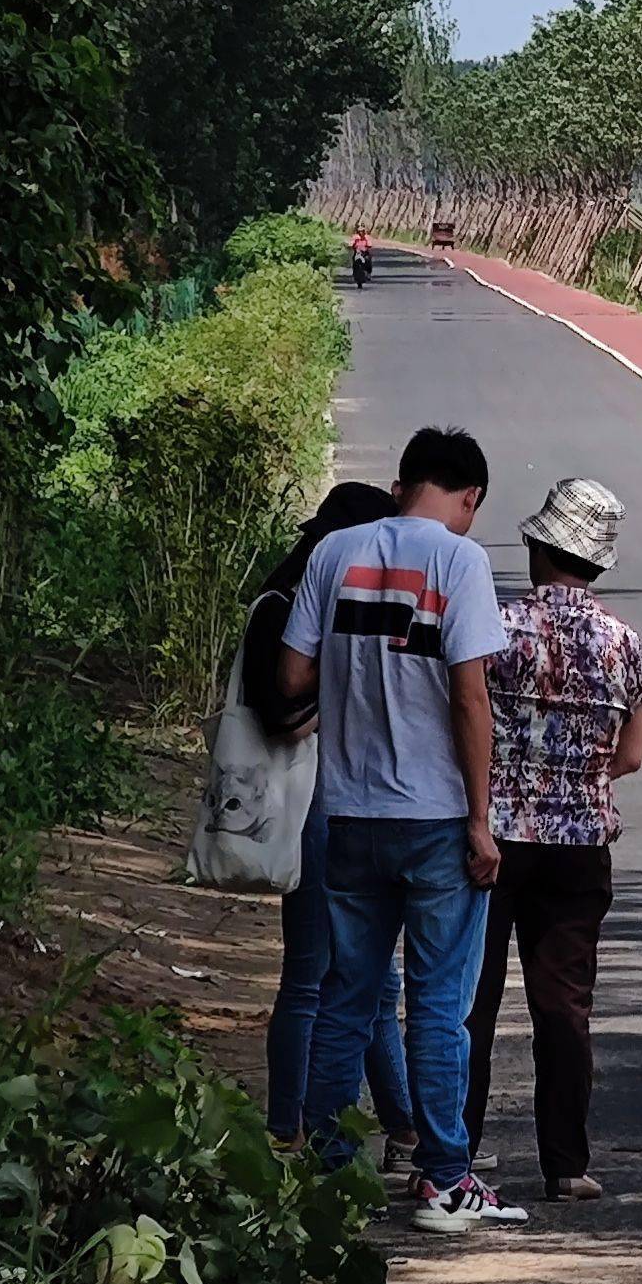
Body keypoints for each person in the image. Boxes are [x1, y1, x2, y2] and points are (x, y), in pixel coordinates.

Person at [279, 425, 526, 1231]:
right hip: (435, 819)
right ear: (469, 497)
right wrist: (483, 820)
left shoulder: (333, 555)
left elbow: (293, 674)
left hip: (348, 812)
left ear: (400, 482)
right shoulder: (461, 563)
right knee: (435, 1005)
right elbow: (470, 697)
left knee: (346, 996)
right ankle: (444, 1178)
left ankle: (323, 1170)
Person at [466, 477, 642, 1205]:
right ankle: (566, 1165)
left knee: (472, 1002)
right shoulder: (624, 646)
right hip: (579, 846)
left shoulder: (495, 629)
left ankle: (459, 1152)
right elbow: (631, 757)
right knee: (564, 1006)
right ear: (599, 564)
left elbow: (465, 720)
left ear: (537, 547)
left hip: (493, 838)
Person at [249, 479, 412, 1156]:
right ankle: (292, 1122)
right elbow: (279, 712)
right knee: (318, 973)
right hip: (313, 799)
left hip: (335, 796)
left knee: (364, 977)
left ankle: (396, 1122)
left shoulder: (292, 598)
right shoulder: (292, 608)